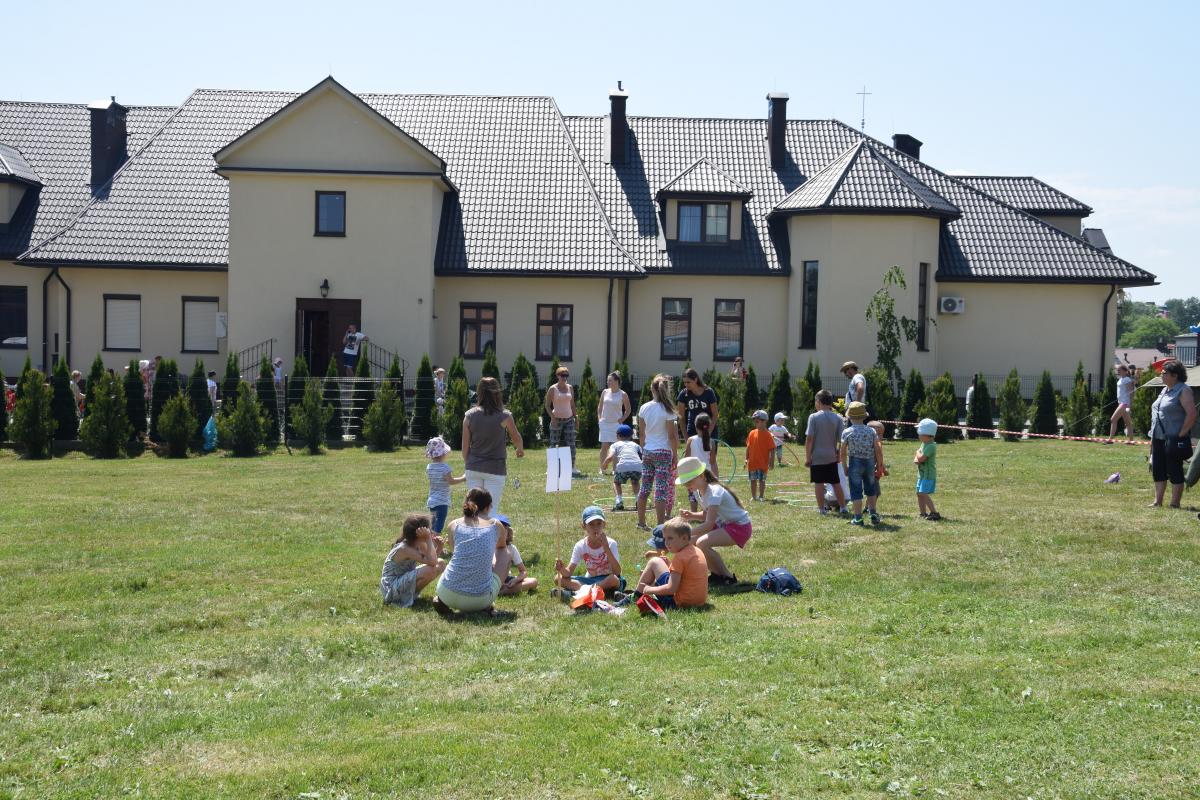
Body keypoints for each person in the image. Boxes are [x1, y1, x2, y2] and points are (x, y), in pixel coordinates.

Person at [676, 455, 752, 585]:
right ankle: (716, 574)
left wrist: (685, 534)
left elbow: (709, 524)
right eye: (685, 483)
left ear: (701, 476)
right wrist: (692, 515)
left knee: (701, 543)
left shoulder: (714, 491)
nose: (687, 486)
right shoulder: (699, 492)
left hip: (740, 527)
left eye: (689, 482)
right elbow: (708, 514)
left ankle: (728, 577)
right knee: (692, 542)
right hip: (725, 525)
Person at [434, 488, 506, 616]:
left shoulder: (453, 525)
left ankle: (444, 601)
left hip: (445, 592)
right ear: (488, 507)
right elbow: (501, 547)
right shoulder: (496, 525)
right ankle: (486, 604)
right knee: (506, 551)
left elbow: (455, 552)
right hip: (479, 599)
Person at [462, 377, 525, 515]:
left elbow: (465, 448)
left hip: (473, 467)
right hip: (495, 469)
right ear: (497, 393)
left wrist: (469, 464)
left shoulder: (469, 416)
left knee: (473, 509)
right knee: (490, 509)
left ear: (479, 392)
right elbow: (516, 437)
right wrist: (519, 449)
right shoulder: (505, 416)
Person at [1149, 360, 1197, 509]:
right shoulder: (1165, 390)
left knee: (1174, 470)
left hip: (1174, 439)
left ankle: (1174, 503)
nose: (1161, 375)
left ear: (1175, 375)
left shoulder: (1184, 390)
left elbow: (1191, 414)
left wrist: (1181, 434)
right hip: (1158, 437)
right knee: (1158, 470)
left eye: (1164, 373)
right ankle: (1158, 501)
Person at [634, 517, 709, 610]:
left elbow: (671, 589)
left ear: (684, 538)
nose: (666, 543)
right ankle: (644, 587)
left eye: (670, 538)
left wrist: (649, 589)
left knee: (654, 561)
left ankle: (636, 595)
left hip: (677, 604)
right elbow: (685, 576)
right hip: (698, 602)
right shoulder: (697, 550)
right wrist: (670, 565)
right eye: (665, 538)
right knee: (659, 564)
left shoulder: (680, 557)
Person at [637, 374, 681, 531]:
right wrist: (675, 455)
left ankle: (641, 523)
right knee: (661, 490)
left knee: (644, 488)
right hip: (663, 452)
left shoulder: (644, 408)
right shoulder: (668, 410)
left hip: (648, 451)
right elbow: (671, 436)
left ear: (652, 389)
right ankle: (660, 526)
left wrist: (643, 450)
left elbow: (641, 434)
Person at [553, 505, 624, 595]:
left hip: (608, 579)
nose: (596, 528)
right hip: (591, 580)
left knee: (613, 579)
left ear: (604, 524)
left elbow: (617, 572)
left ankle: (583, 591)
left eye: (599, 523)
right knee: (558, 578)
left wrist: (606, 548)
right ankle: (593, 590)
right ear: (583, 526)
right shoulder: (580, 546)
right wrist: (562, 569)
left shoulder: (611, 543)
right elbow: (569, 572)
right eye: (591, 524)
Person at [380, 513, 446, 608]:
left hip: (401, 581)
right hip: (390, 589)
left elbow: (433, 561)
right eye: (429, 530)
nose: (431, 532)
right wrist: (428, 539)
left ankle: (410, 595)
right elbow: (432, 562)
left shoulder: (419, 543)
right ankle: (405, 598)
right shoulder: (404, 548)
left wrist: (439, 547)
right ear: (419, 533)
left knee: (441, 563)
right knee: (430, 570)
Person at [806, 390, 846, 515]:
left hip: (817, 456)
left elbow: (809, 439)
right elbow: (842, 440)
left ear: (818, 402)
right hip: (831, 456)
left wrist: (808, 457)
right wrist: (839, 455)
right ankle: (843, 507)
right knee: (835, 482)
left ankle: (821, 509)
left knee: (819, 483)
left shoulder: (813, 417)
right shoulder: (838, 418)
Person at [840, 401, 880, 526]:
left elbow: (842, 452)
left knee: (856, 490)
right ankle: (873, 513)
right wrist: (879, 464)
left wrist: (844, 466)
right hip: (869, 462)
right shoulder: (871, 431)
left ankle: (858, 518)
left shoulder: (847, 432)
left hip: (855, 462)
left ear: (849, 417)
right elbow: (877, 448)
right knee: (871, 489)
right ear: (864, 416)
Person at [544, 366, 583, 478]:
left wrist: (576, 418)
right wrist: (552, 418)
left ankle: (572, 467)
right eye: (562, 375)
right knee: (554, 443)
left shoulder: (570, 387)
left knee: (571, 444)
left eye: (566, 375)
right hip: (556, 419)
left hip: (569, 419)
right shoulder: (553, 389)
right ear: (557, 376)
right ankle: (551, 468)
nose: (564, 377)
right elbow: (547, 405)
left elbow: (572, 404)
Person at [426, 435, 466, 533]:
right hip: (441, 501)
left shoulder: (429, 467)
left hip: (432, 500)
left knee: (433, 524)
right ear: (443, 453)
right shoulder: (445, 467)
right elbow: (451, 481)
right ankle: (435, 540)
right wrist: (463, 478)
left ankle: (430, 539)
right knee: (439, 526)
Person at [597, 371, 632, 475]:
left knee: (615, 447)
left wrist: (622, 419)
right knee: (604, 446)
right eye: (608, 380)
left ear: (617, 381)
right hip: (604, 423)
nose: (608, 382)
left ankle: (615, 470)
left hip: (616, 425)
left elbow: (628, 410)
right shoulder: (605, 392)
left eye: (610, 380)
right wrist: (599, 419)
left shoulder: (623, 394)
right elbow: (599, 407)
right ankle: (602, 469)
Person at [494, 514, 538, 595]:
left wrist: (515, 580)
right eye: (497, 530)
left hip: (506, 579)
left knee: (533, 581)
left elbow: (523, 571)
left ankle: (502, 591)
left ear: (508, 533)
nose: (500, 534)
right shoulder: (488, 546)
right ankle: (500, 590)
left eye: (503, 530)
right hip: (491, 579)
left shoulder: (511, 548)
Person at [602, 423, 642, 511]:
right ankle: (638, 501)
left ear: (617, 435)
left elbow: (610, 457)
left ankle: (619, 501)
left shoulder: (615, 445)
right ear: (631, 436)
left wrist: (604, 465)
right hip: (637, 466)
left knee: (616, 482)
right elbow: (642, 457)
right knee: (635, 482)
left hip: (623, 466)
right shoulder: (636, 445)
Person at [684, 413, 718, 510]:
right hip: (707, 474)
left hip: (693, 473)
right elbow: (713, 462)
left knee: (693, 496)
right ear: (709, 426)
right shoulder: (712, 442)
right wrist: (716, 477)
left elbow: (686, 459)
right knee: (706, 495)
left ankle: (693, 513)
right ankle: (706, 513)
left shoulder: (690, 440)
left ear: (695, 426)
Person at [676, 368, 719, 439]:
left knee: (709, 446)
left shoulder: (709, 392)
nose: (686, 384)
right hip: (692, 430)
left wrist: (709, 432)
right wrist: (686, 438)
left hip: (709, 428)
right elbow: (681, 418)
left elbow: (715, 414)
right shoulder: (683, 394)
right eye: (684, 382)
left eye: (688, 382)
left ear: (695, 379)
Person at [914, 418, 941, 520]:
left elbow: (921, 458)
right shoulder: (924, 444)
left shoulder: (931, 446)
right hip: (922, 474)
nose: (918, 435)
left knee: (923, 493)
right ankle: (923, 513)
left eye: (920, 433)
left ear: (927, 434)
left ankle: (934, 513)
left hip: (928, 475)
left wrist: (917, 453)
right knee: (919, 493)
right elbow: (918, 458)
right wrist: (917, 457)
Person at [745, 410, 774, 502]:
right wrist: (746, 459)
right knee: (753, 480)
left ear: (765, 421)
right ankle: (754, 496)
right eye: (754, 421)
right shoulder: (752, 433)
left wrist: (771, 462)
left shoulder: (768, 435)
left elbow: (772, 449)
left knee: (762, 480)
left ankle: (761, 496)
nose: (755, 423)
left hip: (762, 463)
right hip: (752, 462)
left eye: (757, 421)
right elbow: (748, 447)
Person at [1108, 364, 1136, 441]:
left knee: (1113, 419)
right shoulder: (1121, 379)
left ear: (1125, 371)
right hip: (1121, 403)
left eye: (1119, 370)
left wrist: (1129, 405)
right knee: (1128, 422)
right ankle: (1131, 441)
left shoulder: (1127, 379)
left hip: (1125, 403)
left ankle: (1110, 439)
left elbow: (1131, 393)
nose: (1118, 371)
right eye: (1117, 370)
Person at [868, 420, 890, 516]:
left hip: (875, 471)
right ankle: (871, 509)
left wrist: (883, 469)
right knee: (875, 492)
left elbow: (880, 460)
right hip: (873, 472)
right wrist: (883, 469)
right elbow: (878, 458)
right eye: (879, 434)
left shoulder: (874, 443)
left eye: (882, 434)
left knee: (871, 490)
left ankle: (867, 507)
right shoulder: (876, 444)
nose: (881, 436)